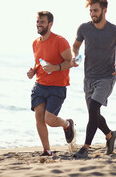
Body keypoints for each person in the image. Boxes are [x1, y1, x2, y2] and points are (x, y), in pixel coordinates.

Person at [72, 0, 116, 158]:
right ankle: (110, 135)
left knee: (93, 109)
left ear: (104, 10)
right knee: (94, 115)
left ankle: (85, 148)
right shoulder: (84, 28)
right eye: (91, 11)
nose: (93, 14)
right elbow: (76, 45)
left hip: (106, 77)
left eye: (96, 10)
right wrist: (76, 55)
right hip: (88, 78)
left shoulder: (115, 31)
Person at [27, 11, 75, 156]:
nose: (39, 25)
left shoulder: (60, 41)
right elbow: (38, 62)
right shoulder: (35, 43)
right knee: (39, 117)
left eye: (42, 22)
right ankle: (47, 151)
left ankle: (67, 124)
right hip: (39, 86)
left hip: (57, 87)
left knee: (49, 120)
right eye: (37, 22)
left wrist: (55, 68)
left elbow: (71, 62)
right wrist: (33, 71)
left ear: (50, 24)